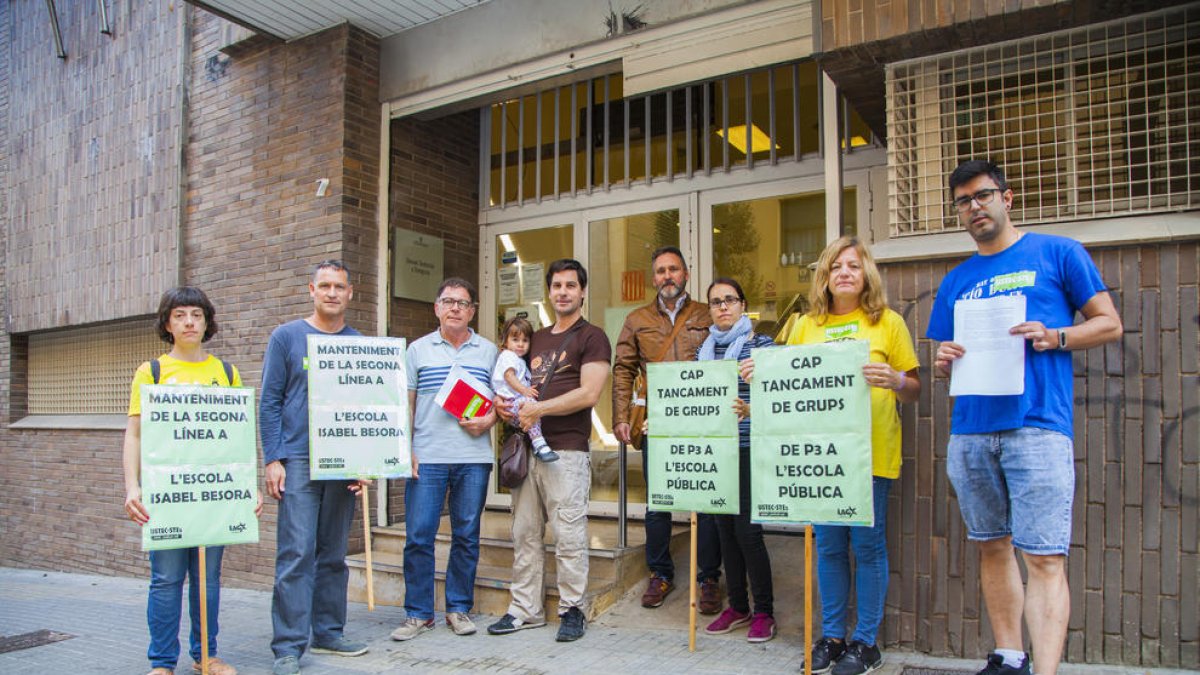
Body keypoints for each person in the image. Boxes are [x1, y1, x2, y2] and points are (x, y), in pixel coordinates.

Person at [928, 160, 1121, 675]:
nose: (974, 207)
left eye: (983, 195)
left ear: (1007, 198)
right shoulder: (955, 280)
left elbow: (1108, 324)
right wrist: (943, 361)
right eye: (964, 201)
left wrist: (1055, 336)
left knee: (1044, 557)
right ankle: (1010, 656)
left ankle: (1046, 670)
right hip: (970, 431)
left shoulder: (1057, 253)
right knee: (992, 548)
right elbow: (945, 366)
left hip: (1036, 426)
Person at [778, 237, 921, 675]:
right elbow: (787, 382)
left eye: (853, 266)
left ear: (866, 275)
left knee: (868, 546)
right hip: (821, 456)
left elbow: (915, 389)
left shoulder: (888, 323)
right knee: (830, 548)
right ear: (824, 275)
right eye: (835, 265)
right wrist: (759, 374)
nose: (844, 273)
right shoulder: (804, 326)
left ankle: (866, 643)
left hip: (870, 454)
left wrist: (896, 379)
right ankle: (834, 637)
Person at [122, 286, 259, 675]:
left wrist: (247, 489)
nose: (188, 322)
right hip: (166, 496)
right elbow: (134, 434)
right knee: (165, 580)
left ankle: (206, 656)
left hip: (213, 497)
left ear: (207, 322)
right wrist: (133, 487)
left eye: (196, 315)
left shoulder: (226, 373)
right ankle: (162, 663)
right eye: (180, 314)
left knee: (207, 580)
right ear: (168, 322)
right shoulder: (151, 372)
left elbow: (239, 437)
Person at [487, 259, 612, 643]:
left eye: (570, 285)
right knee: (524, 533)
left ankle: (573, 609)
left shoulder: (593, 337)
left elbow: (589, 393)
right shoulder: (534, 338)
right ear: (549, 291)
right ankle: (525, 610)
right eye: (557, 285)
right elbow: (513, 383)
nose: (563, 292)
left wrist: (538, 409)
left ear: (582, 291)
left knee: (569, 534)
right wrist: (501, 405)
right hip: (526, 449)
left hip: (567, 452)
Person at [261, 260, 370, 675]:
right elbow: (269, 401)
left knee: (334, 554)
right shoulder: (286, 337)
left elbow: (367, 408)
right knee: (296, 553)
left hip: (342, 462)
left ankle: (328, 631)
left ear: (350, 293)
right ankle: (288, 647)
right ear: (311, 289)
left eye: (338, 286)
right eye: (324, 286)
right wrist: (273, 457)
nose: (331, 293)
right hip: (299, 461)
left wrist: (366, 462)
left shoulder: (359, 343)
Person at [611, 246, 723, 613]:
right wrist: (621, 416)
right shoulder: (636, 318)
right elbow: (623, 370)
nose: (667, 276)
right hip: (657, 423)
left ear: (686, 274)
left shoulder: (707, 314)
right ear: (653, 278)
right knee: (658, 504)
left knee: (707, 503)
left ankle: (709, 577)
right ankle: (659, 573)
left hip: (703, 422)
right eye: (660, 271)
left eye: (673, 269)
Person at [390, 278, 499, 642]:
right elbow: (404, 404)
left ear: (472, 312)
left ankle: (458, 608)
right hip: (429, 456)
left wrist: (489, 419)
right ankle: (418, 613)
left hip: (474, 458)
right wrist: (407, 449)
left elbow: (502, 403)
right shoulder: (417, 351)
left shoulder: (489, 351)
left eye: (463, 303)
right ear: (436, 307)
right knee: (419, 536)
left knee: (466, 535)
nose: (455, 308)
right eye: (448, 301)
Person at [693, 277, 779, 643]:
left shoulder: (762, 345)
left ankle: (764, 612)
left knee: (748, 531)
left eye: (730, 300)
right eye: (716, 302)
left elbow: (783, 398)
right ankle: (739, 607)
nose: (723, 306)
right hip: (716, 452)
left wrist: (755, 396)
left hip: (748, 449)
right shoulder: (704, 351)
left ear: (743, 305)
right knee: (724, 531)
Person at [492, 315, 558, 463]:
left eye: (525, 340)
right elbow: (509, 376)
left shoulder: (519, 360)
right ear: (506, 341)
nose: (520, 344)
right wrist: (525, 390)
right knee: (530, 405)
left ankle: (538, 442)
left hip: (514, 404)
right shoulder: (508, 356)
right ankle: (539, 444)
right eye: (515, 340)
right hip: (511, 402)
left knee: (531, 409)